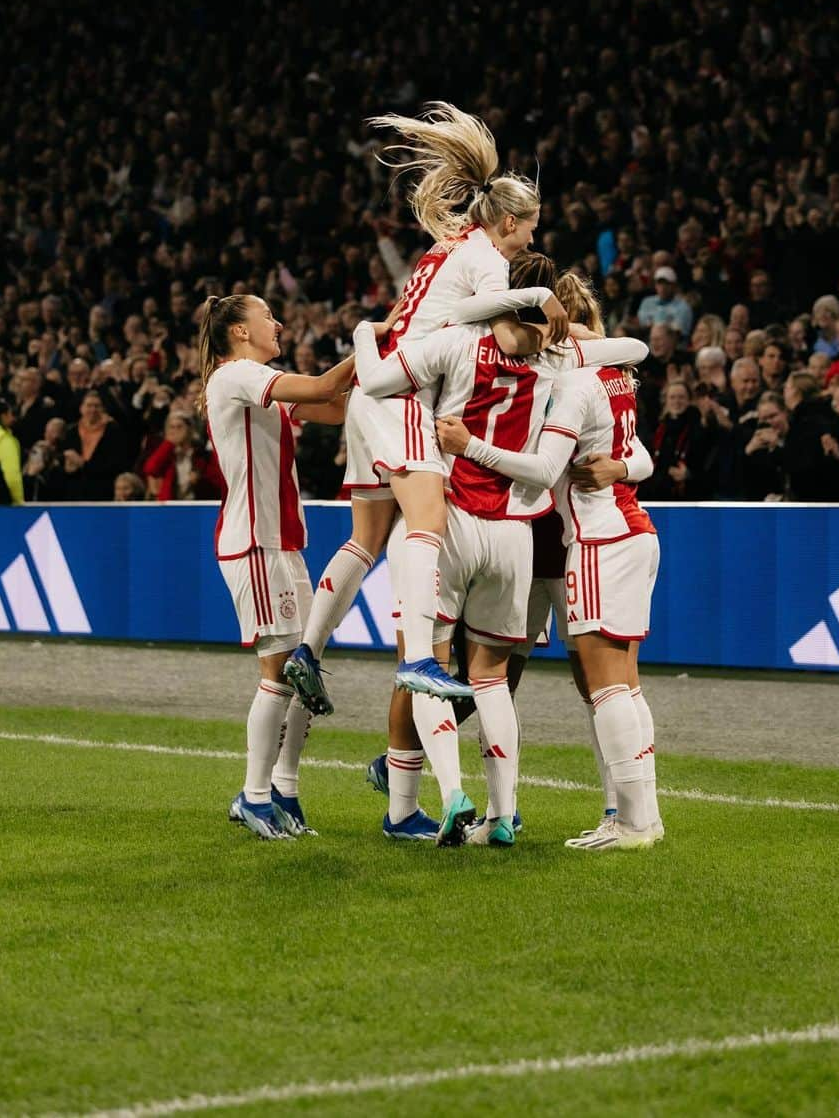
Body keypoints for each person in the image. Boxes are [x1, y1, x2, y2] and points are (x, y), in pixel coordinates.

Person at [283, 103, 568, 715]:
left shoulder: (442, 247)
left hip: (372, 390)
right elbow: (486, 320)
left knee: (367, 536)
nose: (533, 239)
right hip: (402, 394)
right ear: (511, 222)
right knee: (428, 523)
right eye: (532, 228)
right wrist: (542, 297)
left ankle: (307, 648)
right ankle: (418, 657)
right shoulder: (488, 258)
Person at [354, 256, 648, 846]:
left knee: (426, 664)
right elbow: (634, 350)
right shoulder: (559, 360)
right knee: (496, 676)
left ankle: (437, 795)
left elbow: (376, 380)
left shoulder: (454, 341)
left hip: (455, 518)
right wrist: (566, 328)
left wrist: (365, 333)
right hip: (519, 529)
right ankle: (505, 813)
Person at [436, 359, 662, 851]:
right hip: (609, 533)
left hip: (581, 541)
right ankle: (631, 816)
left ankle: (627, 820)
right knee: (615, 683)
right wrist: (621, 466)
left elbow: (544, 468)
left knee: (596, 686)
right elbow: (640, 453)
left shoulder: (570, 385)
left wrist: (466, 445)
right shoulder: (612, 379)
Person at [200, 293, 356, 840]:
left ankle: (285, 790)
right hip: (253, 544)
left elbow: (332, 407)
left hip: (284, 544)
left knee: (303, 670)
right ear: (239, 332)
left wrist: (374, 377)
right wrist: (372, 343)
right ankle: (255, 795)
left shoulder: (261, 383)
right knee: (279, 672)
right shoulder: (236, 376)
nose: (279, 322)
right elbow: (317, 387)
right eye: (267, 316)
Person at [636, 265, 693, 337]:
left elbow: (678, 332)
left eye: (667, 284)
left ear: (674, 285)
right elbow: (643, 325)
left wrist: (656, 325)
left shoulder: (683, 307)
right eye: (659, 283)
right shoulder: (647, 302)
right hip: (647, 340)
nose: (663, 287)